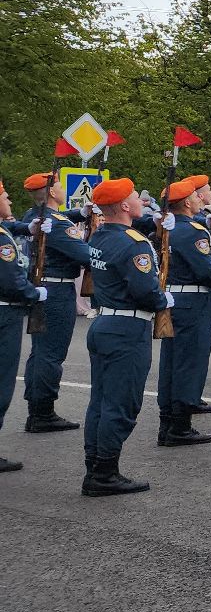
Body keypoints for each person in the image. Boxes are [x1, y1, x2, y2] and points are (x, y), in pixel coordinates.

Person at [79, 177, 171, 495]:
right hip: (127, 329)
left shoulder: (101, 235)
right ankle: (104, 474)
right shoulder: (134, 243)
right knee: (121, 404)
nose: (140, 200)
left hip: (105, 324)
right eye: (135, 196)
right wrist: (164, 300)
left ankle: (96, 465)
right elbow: (146, 291)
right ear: (123, 206)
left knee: (100, 402)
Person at [14, 172, 87, 433]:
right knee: (51, 353)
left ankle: (38, 407)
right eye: (58, 185)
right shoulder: (55, 222)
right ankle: (42, 412)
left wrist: (81, 213)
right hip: (57, 290)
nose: (62, 188)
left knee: (41, 351)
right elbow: (83, 253)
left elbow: (60, 220)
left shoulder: (33, 216)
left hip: (45, 286)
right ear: (53, 193)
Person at [156, 174, 211, 447]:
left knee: (172, 363)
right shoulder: (193, 231)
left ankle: (168, 422)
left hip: (176, 299)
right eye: (196, 196)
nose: (199, 199)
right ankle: (179, 426)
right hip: (194, 301)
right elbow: (205, 271)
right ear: (186, 202)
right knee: (189, 362)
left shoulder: (170, 228)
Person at [0, 179, 51, 473]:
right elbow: (9, 280)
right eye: (5, 197)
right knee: (1, 383)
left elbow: (14, 227)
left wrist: (28, 229)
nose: (9, 202)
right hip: (5, 313)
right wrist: (34, 293)